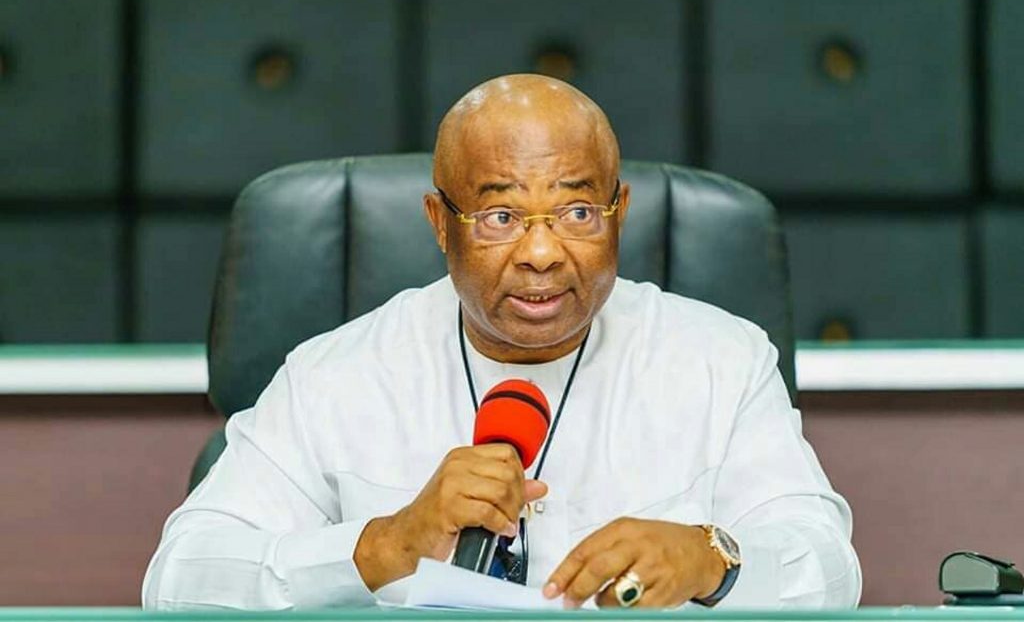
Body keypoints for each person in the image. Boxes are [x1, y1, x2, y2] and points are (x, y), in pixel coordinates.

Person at [142, 74, 861, 610]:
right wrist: (385, 544)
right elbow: (179, 580)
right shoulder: (334, 375)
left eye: (577, 211)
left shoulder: (722, 360)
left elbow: (828, 565)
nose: (542, 253)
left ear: (620, 212)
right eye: (500, 218)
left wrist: (711, 558)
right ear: (439, 222)